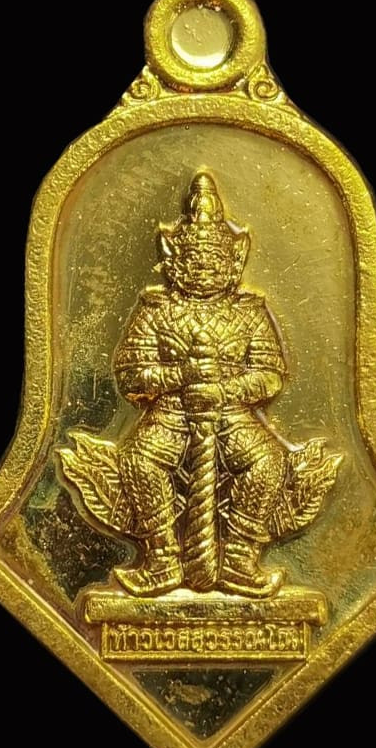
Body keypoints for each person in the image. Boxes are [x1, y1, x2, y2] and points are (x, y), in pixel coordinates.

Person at [113, 171, 288, 598]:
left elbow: (269, 374)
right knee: (138, 460)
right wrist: (178, 378)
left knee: (269, 461)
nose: (204, 268)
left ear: (233, 262)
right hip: (171, 412)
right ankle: (161, 558)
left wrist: (226, 391)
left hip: (231, 413)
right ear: (174, 262)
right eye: (194, 260)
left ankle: (240, 557)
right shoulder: (156, 310)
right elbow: (131, 374)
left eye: (213, 261)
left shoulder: (249, 313)